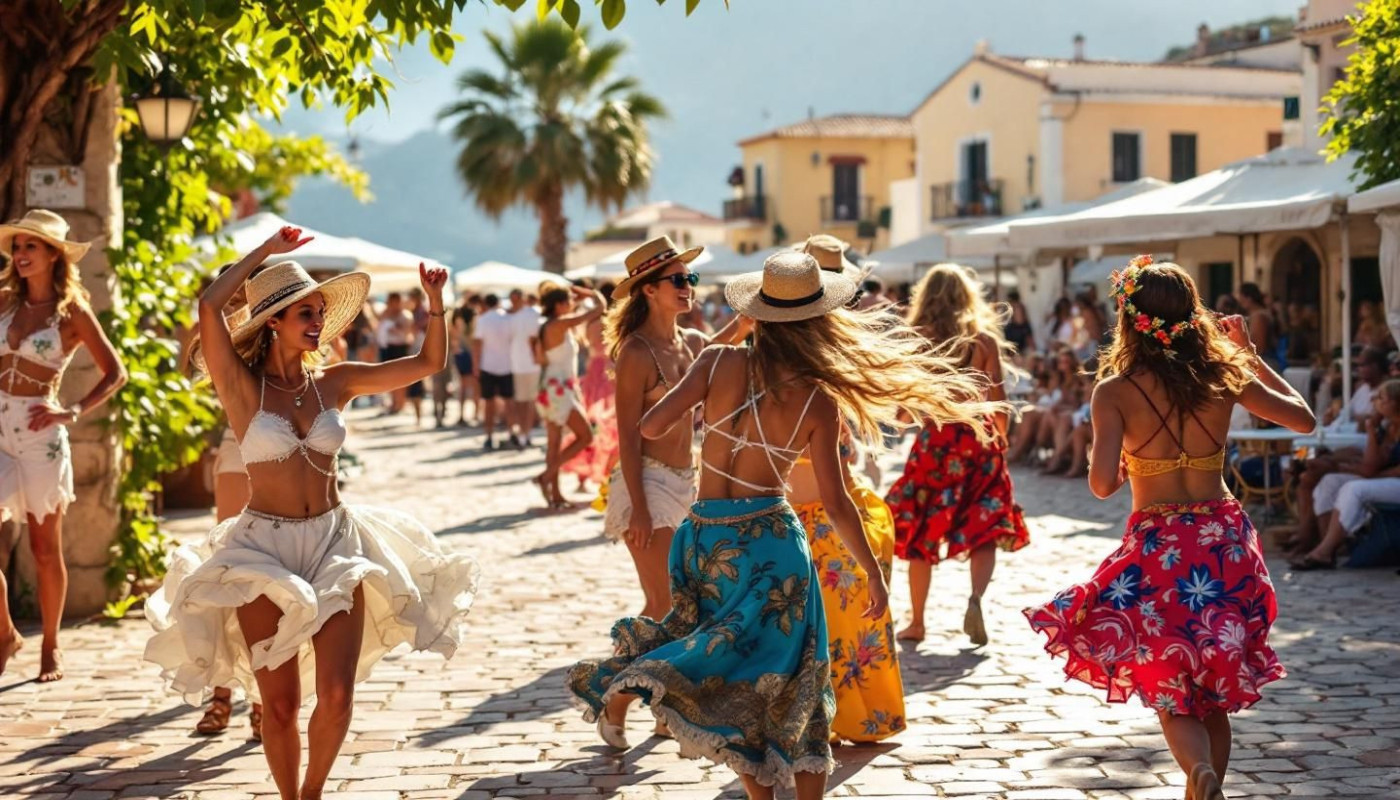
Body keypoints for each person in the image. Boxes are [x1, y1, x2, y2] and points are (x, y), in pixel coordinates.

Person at [570, 251, 997, 799]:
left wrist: (704, 402)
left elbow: (651, 426)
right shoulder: (818, 399)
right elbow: (838, 503)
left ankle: (654, 692)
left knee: (733, 675)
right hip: (770, 543)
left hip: (703, 538)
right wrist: (872, 573)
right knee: (798, 683)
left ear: (758, 313)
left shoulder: (715, 362)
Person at [144, 228, 479, 800]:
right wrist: (263, 256)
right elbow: (209, 306)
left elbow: (429, 362)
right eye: (306, 312)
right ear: (273, 320)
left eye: (321, 312)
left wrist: (436, 303)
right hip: (261, 550)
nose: (318, 321)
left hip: (334, 543)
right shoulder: (241, 387)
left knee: (339, 694)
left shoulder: (337, 382)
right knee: (279, 706)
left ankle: (313, 792)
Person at [1023, 256, 1314, 800]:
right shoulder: (1223, 376)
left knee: (1173, 689)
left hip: (1160, 549)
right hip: (1223, 541)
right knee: (1213, 693)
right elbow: (1304, 418)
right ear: (1192, 315)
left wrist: (1124, 458)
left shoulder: (1114, 390)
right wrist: (1249, 356)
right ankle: (1205, 781)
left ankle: (1198, 771)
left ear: (1129, 319)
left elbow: (1101, 485)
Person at [595, 235, 751, 734]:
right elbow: (626, 435)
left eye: (691, 278)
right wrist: (639, 508)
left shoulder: (691, 343)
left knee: (675, 607)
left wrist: (753, 316)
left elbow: (725, 346)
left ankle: (641, 696)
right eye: (678, 279)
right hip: (644, 483)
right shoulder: (636, 353)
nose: (689, 286)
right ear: (648, 289)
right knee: (667, 606)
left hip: (687, 485)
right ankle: (627, 699)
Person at [783, 234, 905, 743]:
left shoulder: (808, 349)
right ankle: (833, 717)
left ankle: (834, 717)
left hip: (824, 506)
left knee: (839, 620)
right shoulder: (801, 353)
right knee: (840, 616)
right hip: (815, 510)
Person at [0, 210, 127, 682]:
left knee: (43, 548)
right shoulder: (3, 302)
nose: (21, 254)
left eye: (31, 246)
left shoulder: (72, 313)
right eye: (17, 247)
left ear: (54, 255)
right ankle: (6, 633)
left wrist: (71, 410)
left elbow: (116, 373)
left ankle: (50, 645)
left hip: (40, 436)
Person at [886, 265, 1029, 645]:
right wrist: (1001, 439)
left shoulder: (919, 341)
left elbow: (904, 412)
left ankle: (917, 621)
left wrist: (907, 418)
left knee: (922, 530)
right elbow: (999, 401)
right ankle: (976, 599)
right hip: (979, 439)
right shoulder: (983, 342)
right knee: (984, 525)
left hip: (937, 441)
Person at [1290, 379, 1400, 570]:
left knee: (1352, 489)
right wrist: (1371, 430)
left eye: (1381, 398)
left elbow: (1370, 469)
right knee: (1326, 482)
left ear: (1396, 402)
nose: (1374, 401)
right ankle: (1328, 543)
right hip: (1376, 473)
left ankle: (1323, 550)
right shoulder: (1388, 427)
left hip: (1391, 479)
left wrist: (1346, 465)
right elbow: (1369, 464)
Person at [534, 284, 605, 508]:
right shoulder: (559, 324)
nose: (572, 304)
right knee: (586, 436)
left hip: (552, 387)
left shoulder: (550, 325)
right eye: (568, 301)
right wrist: (591, 294)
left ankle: (556, 494)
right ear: (558, 305)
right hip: (559, 389)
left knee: (554, 443)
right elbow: (599, 309)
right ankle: (546, 476)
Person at [562, 282, 618, 492]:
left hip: (592, 370)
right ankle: (606, 474)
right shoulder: (613, 323)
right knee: (610, 424)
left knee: (591, 422)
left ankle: (583, 475)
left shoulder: (591, 322)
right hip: (609, 372)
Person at [472, 294, 514, 451]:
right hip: (507, 365)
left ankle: (489, 436)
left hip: (488, 365)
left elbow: (477, 343)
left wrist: (476, 365)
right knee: (509, 402)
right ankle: (511, 433)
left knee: (488, 403)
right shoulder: (508, 318)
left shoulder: (483, 320)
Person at [508, 288, 542, 449]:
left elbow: (535, 338)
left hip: (530, 365)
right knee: (522, 402)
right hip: (517, 364)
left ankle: (526, 434)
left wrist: (536, 357)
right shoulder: (512, 316)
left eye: (516, 299)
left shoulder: (532, 314)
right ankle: (524, 433)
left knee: (528, 401)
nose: (514, 302)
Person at [375, 292, 413, 414]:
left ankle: (401, 403)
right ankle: (394, 402)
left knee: (401, 377)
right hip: (388, 347)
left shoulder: (405, 315)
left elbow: (407, 332)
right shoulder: (386, 314)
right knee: (390, 376)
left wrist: (395, 329)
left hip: (400, 348)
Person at [452, 294, 480, 426]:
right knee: (475, 386)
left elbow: (454, 334)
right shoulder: (475, 316)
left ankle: (463, 415)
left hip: (461, 352)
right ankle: (475, 414)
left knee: (463, 386)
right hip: (470, 352)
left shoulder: (457, 315)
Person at [1238, 282, 1280, 371]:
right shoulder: (1256, 315)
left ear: (1249, 298)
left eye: (1242, 298)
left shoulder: (1259, 316)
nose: (1240, 301)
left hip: (1264, 364)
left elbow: (1259, 346)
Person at [1003, 289, 1035, 354]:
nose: (1018, 314)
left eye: (1020, 312)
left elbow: (1031, 344)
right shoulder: (1008, 328)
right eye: (1016, 312)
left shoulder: (1026, 327)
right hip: (1012, 354)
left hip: (1023, 353)